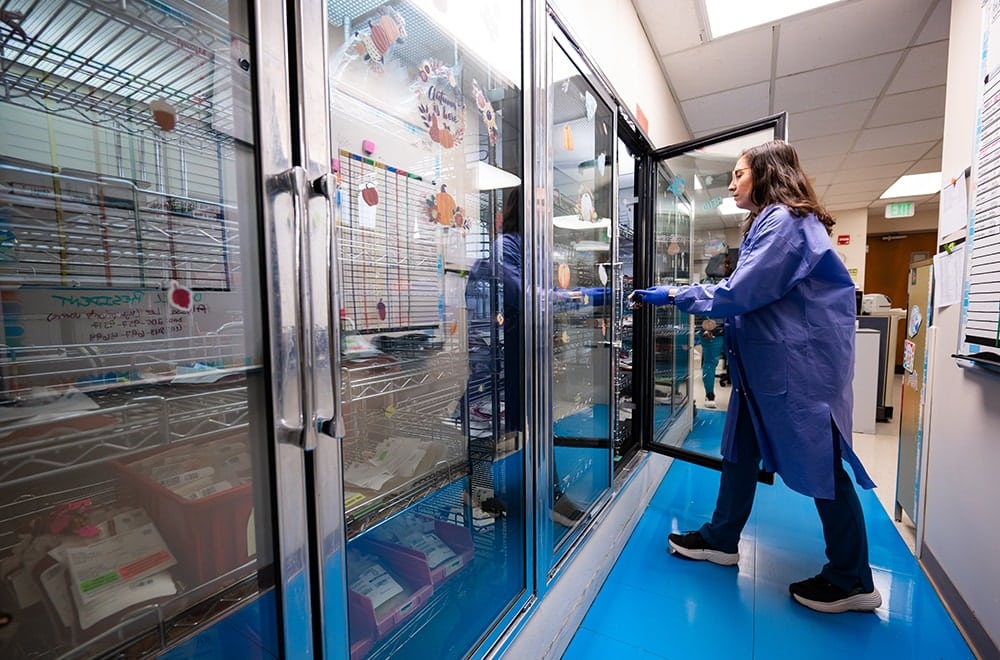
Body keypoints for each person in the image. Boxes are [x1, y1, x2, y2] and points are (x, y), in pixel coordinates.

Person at [629, 139, 882, 614]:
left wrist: (672, 294)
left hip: (798, 374)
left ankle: (853, 578)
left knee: (823, 467)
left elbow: (739, 293)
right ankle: (722, 540)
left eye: (740, 174)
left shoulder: (785, 225)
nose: (731, 182)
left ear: (766, 176)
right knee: (739, 451)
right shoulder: (769, 224)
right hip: (764, 372)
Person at [696, 316, 723, 408]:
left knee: (710, 363)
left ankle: (709, 396)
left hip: (724, 326)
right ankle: (709, 395)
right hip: (711, 327)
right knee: (710, 363)